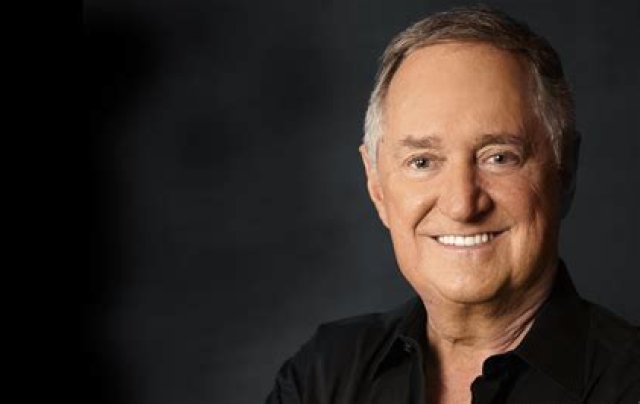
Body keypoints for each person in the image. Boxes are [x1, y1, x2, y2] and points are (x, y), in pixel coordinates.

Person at [266, 6, 639, 404]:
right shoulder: (322, 377)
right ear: (376, 185)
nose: (462, 205)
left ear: (565, 172)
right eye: (422, 162)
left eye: (499, 157)